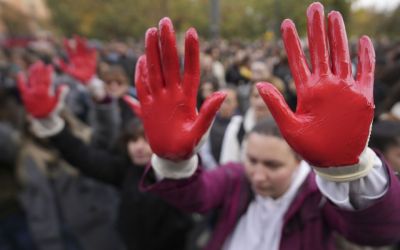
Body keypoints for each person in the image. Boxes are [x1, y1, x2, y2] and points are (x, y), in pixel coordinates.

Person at [127, 3, 400, 250]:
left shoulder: (317, 197)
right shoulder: (235, 179)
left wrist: (348, 170)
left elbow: (380, 232)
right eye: (252, 160)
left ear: (298, 163)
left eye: (272, 165)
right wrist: (173, 164)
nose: (258, 175)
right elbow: (196, 197)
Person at [17, 61, 193, 250]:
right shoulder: (125, 170)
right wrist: (53, 128)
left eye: (145, 141)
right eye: (133, 141)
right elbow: (83, 157)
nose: (139, 148)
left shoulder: (176, 175)